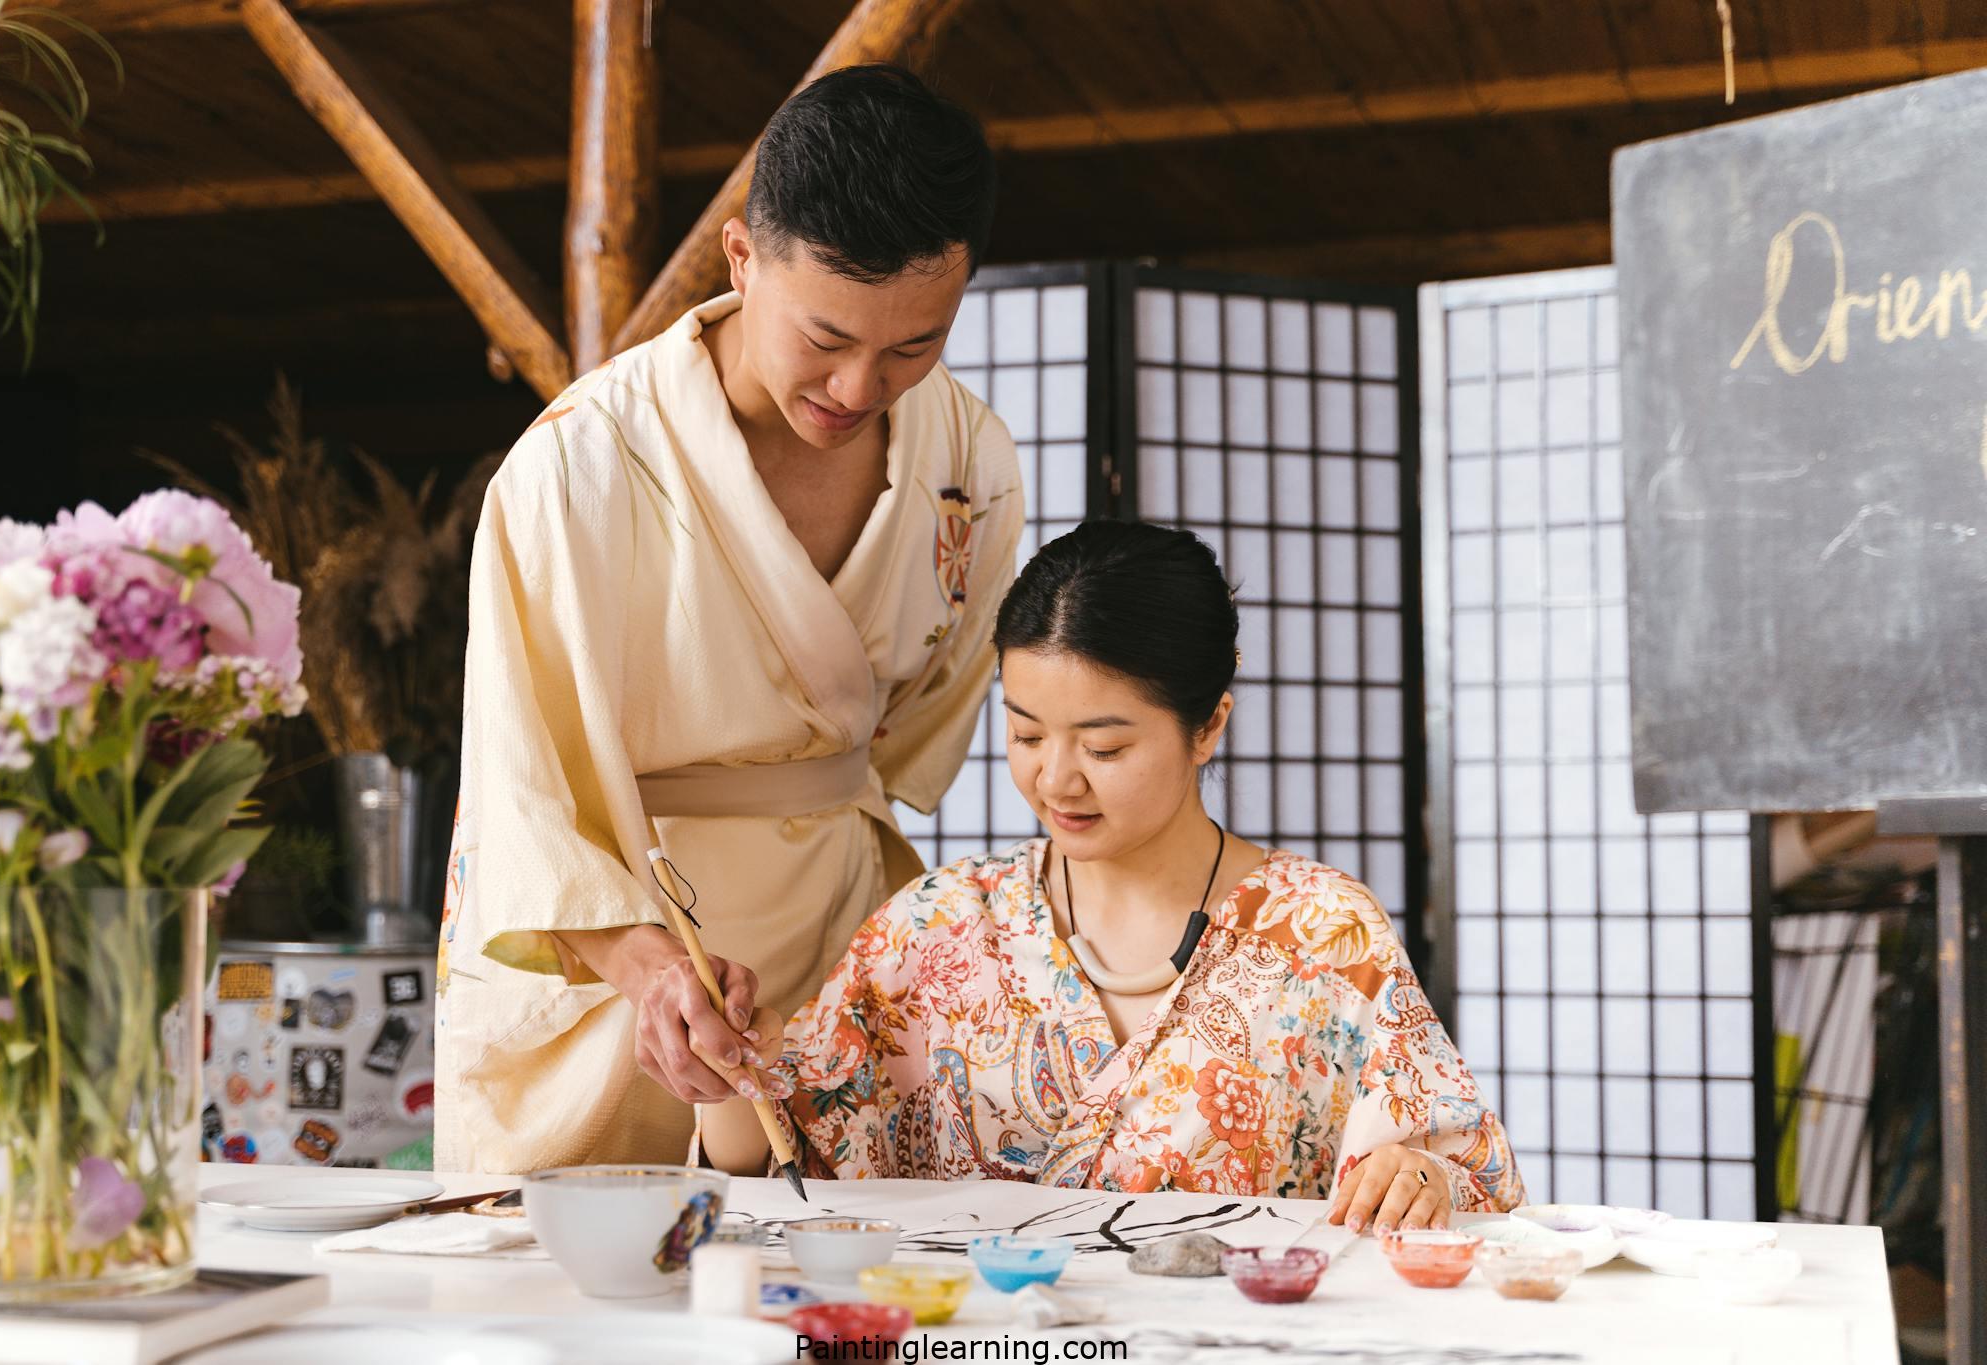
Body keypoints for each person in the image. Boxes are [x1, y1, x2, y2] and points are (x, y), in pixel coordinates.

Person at [435, 65, 1022, 1173]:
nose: (858, 389)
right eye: (825, 338)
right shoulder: (580, 466)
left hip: (839, 946)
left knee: (839, 1319)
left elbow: (912, 733)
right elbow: (518, 793)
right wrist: (653, 970)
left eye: (912, 346)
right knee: (582, 1318)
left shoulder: (969, 458)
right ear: (741, 260)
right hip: (609, 958)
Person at [700, 522, 1522, 1227]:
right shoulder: (938, 926)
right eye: (1025, 734)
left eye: (1104, 747)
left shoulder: (1323, 933)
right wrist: (722, 1060)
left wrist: (1424, 1180)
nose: (1056, 780)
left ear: (1208, 727)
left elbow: (1467, 1185)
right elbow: (775, 1158)